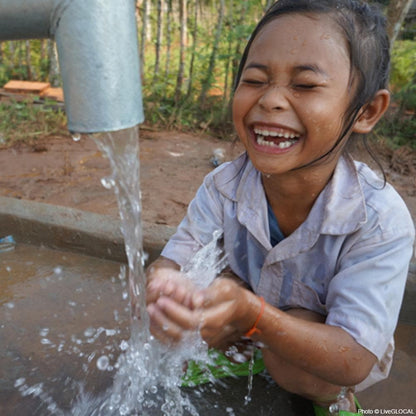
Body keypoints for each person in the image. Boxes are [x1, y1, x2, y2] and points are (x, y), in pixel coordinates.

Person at [145, 0, 415, 414]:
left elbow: (354, 354)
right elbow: (172, 262)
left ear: (366, 111)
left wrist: (254, 317)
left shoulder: (378, 219)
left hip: (325, 359)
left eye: (305, 86)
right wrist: (166, 291)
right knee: (213, 287)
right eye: (254, 80)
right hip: (247, 329)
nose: (270, 100)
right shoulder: (224, 187)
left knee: (300, 357)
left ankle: (331, 401)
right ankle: (244, 353)